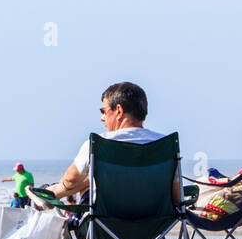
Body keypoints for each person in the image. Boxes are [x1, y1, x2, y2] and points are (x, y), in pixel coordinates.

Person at [45, 82, 181, 206]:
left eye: (103, 111)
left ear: (119, 111)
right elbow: (177, 199)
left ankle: (50, 192)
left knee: (89, 182)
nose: (101, 117)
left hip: (104, 227)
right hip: (155, 227)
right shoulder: (166, 145)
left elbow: (70, 181)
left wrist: (58, 189)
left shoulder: (97, 144)